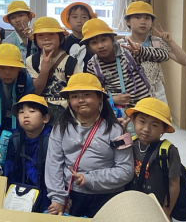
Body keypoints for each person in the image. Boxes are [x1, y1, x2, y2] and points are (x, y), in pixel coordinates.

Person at [45, 73, 134, 218]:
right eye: (74, 96)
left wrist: (91, 179)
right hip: (72, 195)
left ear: (100, 98)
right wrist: (58, 198)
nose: (81, 100)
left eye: (87, 95)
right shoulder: (61, 127)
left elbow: (126, 170)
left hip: (108, 197)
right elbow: (53, 164)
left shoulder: (116, 130)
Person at [82, 19, 169, 109]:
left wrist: (141, 51)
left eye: (103, 40)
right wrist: (112, 99)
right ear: (89, 46)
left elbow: (164, 56)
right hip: (119, 112)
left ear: (112, 39)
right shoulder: (92, 65)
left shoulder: (128, 51)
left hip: (144, 107)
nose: (100, 46)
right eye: (94, 43)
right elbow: (95, 94)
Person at [121, 1, 186, 104]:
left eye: (147, 18)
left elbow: (185, 61)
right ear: (127, 21)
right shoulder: (121, 44)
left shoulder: (155, 42)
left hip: (156, 93)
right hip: (133, 93)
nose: (143, 21)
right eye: (138, 17)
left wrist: (170, 42)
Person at [125, 98, 181, 219]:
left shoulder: (168, 151)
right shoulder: (130, 144)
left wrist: (167, 210)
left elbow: (174, 184)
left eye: (154, 125)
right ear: (133, 120)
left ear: (164, 129)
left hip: (157, 207)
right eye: (142, 121)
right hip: (132, 203)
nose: (146, 129)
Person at [24, 17, 81, 123]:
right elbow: (36, 91)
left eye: (51, 34)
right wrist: (44, 70)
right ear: (35, 40)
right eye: (40, 35)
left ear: (61, 38)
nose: (46, 38)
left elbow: (78, 90)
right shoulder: (31, 61)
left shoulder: (70, 62)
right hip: (39, 108)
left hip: (64, 109)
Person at [4, 94, 53, 213]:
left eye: (32, 111)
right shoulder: (15, 138)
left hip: (47, 195)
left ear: (45, 118)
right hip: (20, 195)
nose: (26, 115)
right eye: (21, 112)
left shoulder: (53, 138)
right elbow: (9, 170)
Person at [0, 44, 34, 132]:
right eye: (2, 67)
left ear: (19, 68)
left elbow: (27, 107)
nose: (7, 73)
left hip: (18, 118)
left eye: (12, 68)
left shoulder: (26, 80)